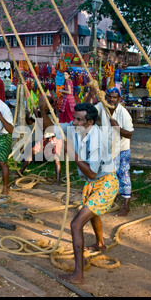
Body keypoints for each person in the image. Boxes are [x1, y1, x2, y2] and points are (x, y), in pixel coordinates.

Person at [39, 99, 118, 284]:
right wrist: (43, 111)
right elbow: (50, 128)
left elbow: (91, 171)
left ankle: (78, 275)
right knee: (91, 213)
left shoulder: (97, 140)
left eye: (79, 120)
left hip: (105, 183)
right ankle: (100, 243)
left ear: (89, 122)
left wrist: (70, 151)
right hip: (93, 183)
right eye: (74, 118)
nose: (74, 122)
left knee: (76, 225)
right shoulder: (76, 129)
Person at [94, 87, 134, 216]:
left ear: (119, 99)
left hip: (122, 147)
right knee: (109, 173)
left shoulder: (124, 113)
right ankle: (111, 198)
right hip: (109, 146)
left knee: (123, 173)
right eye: (109, 97)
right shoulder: (102, 106)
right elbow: (89, 112)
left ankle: (126, 205)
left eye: (114, 97)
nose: (111, 99)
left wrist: (117, 128)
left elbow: (129, 134)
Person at [19, 97, 62, 185]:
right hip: (45, 139)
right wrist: (28, 115)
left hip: (54, 138)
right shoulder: (39, 113)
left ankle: (58, 180)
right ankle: (20, 172)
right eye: (41, 102)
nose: (41, 105)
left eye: (44, 103)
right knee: (31, 153)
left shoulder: (51, 114)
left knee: (56, 158)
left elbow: (46, 127)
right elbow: (30, 122)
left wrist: (38, 116)